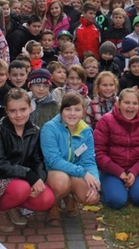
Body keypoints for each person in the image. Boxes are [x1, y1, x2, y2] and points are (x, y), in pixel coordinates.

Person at [0, 89, 55, 233]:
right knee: (22, 189)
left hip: (22, 177)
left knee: (46, 199)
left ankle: (13, 207)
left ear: (31, 107)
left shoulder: (35, 131)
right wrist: (29, 176)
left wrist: (39, 179)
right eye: (13, 111)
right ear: (6, 111)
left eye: (23, 109)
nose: (18, 115)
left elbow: (38, 160)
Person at [41, 92, 101, 226]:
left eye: (77, 109)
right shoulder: (50, 128)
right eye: (68, 109)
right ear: (61, 111)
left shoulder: (86, 131)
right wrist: (83, 173)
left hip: (75, 171)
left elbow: (89, 161)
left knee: (92, 196)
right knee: (62, 183)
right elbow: (53, 160)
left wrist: (95, 182)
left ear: (83, 112)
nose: (72, 113)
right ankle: (53, 206)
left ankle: (70, 197)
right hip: (53, 171)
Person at [93, 88, 139, 209]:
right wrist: (118, 172)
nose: (131, 107)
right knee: (116, 201)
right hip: (112, 169)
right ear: (118, 104)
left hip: (136, 169)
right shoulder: (106, 121)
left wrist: (135, 171)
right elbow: (99, 152)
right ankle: (110, 188)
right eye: (127, 102)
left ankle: (134, 187)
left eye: (134, 103)